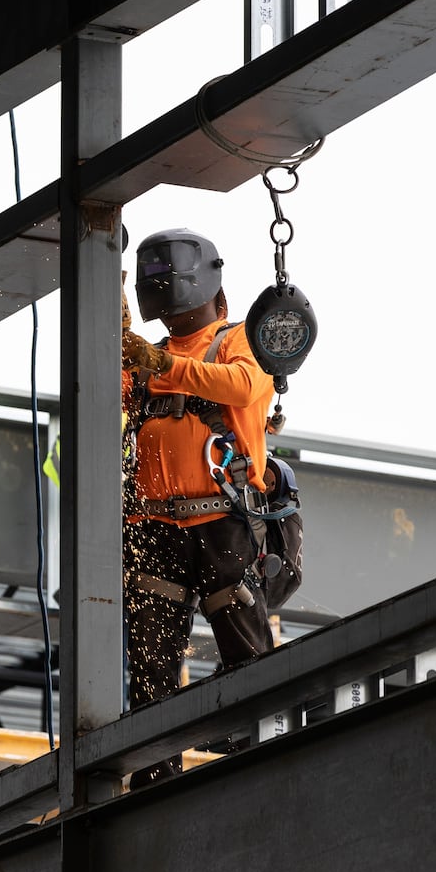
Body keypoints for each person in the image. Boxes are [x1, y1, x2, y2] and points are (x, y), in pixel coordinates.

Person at [121, 228, 276, 786]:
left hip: (223, 522)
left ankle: (254, 766)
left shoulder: (239, 342)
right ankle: (153, 777)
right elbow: (104, 392)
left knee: (247, 661)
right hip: (156, 529)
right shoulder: (145, 358)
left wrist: (155, 363)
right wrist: (112, 331)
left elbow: (238, 387)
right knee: (151, 669)